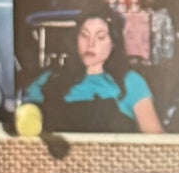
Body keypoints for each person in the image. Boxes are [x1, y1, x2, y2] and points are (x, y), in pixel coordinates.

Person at [19, 10, 163, 133]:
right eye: (84, 35)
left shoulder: (131, 82)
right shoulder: (49, 79)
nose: (91, 44)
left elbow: (157, 142)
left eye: (100, 37)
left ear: (113, 43)